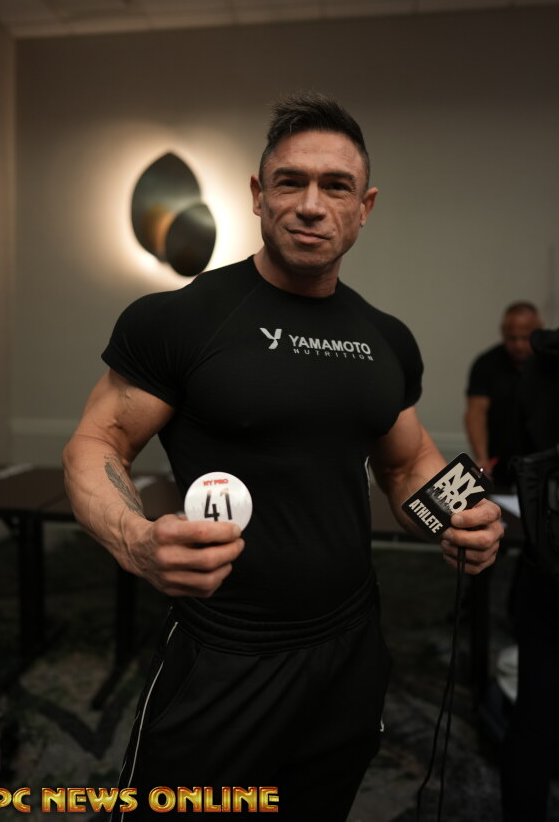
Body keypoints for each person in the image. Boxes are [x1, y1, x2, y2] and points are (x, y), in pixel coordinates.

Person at [63, 93, 503, 821]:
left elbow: (405, 465)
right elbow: (95, 442)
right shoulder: (181, 318)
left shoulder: (387, 339)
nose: (310, 205)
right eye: (290, 182)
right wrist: (136, 541)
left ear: (364, 207)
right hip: (226, 650)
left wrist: (460, 518)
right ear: (257, 195)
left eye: (336, 187)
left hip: (351, 643)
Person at [501, 328, 559, 822]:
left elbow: (520, 442)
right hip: (545, 576)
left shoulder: (543, 363)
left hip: (545, 566)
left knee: (534, 716)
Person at [464, 302, 542, 487]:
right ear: (503, 332)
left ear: (539, 330)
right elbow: (476, 413)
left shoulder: (551, 364)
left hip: (544, 464)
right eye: (512, 338)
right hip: (500, 464)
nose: (518, 345)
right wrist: (481, 458)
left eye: (525, 338)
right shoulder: (486, 363)